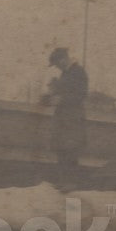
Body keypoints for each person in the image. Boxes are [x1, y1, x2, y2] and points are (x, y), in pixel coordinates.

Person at [44, 47, 88, 188]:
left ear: (63, 59)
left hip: (73, 117)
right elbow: (58, 95)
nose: (57, 67)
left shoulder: (78, 72)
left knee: (71, 148)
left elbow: (81, 95)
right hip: (62, 117)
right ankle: (63, 181)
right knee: (61, 148)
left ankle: (71, 182)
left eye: (57, 63)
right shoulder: (64, 75)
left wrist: (61, 100)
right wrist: (49, 96)